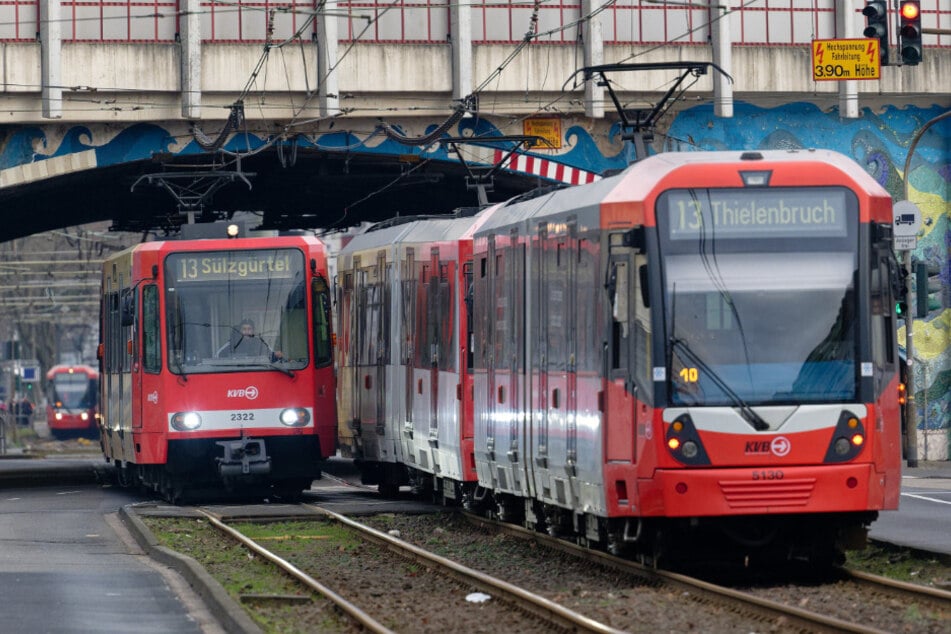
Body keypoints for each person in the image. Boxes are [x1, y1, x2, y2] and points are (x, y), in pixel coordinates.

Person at [218, 318, 283, 360]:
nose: (247, 332)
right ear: (240, 331)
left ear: (253, 331)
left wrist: (276, 355)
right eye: (244, 329)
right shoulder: (232, 343)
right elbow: (218, 356)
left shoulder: (259, 343)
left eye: (249, 329)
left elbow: (271, 354)